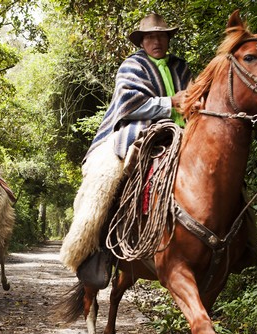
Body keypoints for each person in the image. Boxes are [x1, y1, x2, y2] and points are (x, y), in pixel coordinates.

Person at [59, 13, 193, 274]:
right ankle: (94, 245)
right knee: (106, 177)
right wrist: (171, 102)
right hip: (138, 130)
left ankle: (236, 244)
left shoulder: (181, 67)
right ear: (142, 41)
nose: (157, 40)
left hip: (184, 131)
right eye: (150, 36)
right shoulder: (132, 66)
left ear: (168, 38)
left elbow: (196, 96)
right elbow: (129, 106)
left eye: (161, 35)